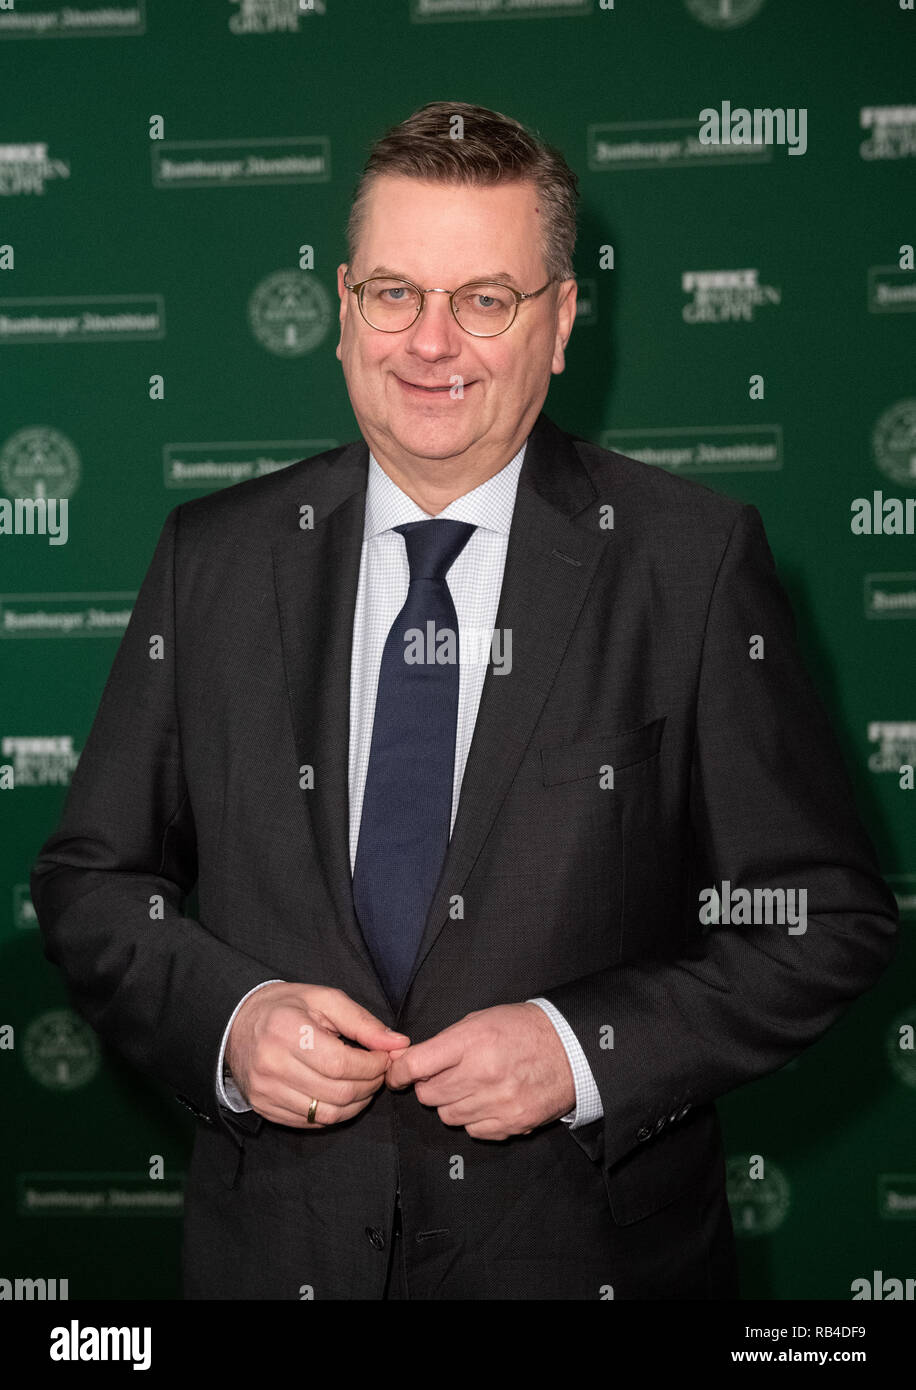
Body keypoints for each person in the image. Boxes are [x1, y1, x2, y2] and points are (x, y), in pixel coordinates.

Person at [31, 101, 899, 1301]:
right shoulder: (212, 555)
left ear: (558, 324)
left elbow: (819, 917)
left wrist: (581, 1047)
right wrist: (231, 1020)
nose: (429, 344)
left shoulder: (688, 562)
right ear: (342, 308)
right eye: (395, 293)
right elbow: (91, 881)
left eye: (484, 300)